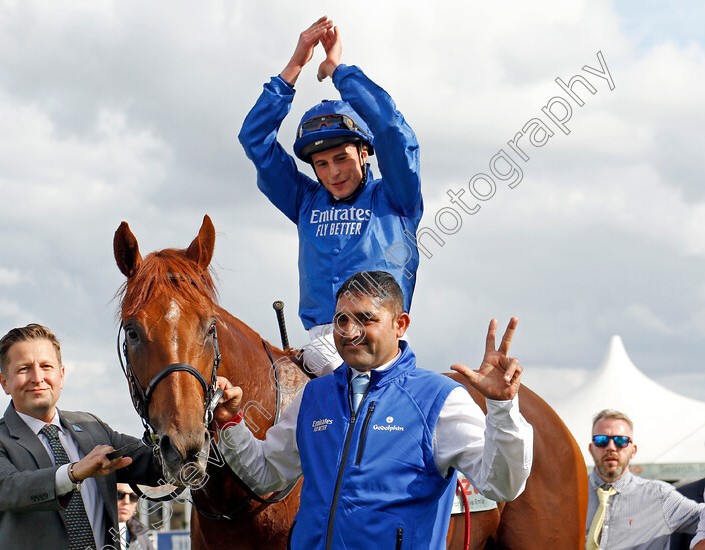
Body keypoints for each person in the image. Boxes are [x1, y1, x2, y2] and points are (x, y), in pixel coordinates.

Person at [213, 271, 533, 549]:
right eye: (342, 319)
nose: (351, 331)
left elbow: (501, 485)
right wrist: (230, 424)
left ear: (400, 325)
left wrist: (502, 407)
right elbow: (266, 474)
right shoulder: (314, 396)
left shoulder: (440, 398)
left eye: (366, 318)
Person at [238, 17, 423, 376]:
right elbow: (254, 141)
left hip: (378, 344)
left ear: (364, 152)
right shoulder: (304, 199)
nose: (333, 172)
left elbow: (389, 127)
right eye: (321, 164)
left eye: (341, 158)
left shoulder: (397, 197)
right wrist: (294, 67)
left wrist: (339, 70)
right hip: (319, 346)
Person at [0, 324, 163, 550]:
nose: (37, 378)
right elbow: (8, 490)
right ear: (4, 382)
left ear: (61, 375)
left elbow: (161, 464)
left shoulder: (93, 429)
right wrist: (74, 473)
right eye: (23, 369)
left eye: (46, 366)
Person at [584, 409, 703, 550]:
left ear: (633, 450)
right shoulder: (567, 495)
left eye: (620, 441)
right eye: (601, 440)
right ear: (591, 448)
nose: (611, 447)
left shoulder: (660, 496)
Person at [116, 484, 152, 550]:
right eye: (119, 494)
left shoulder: (142, 537)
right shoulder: (95, 531)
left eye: (133, 497)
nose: (126, 501)